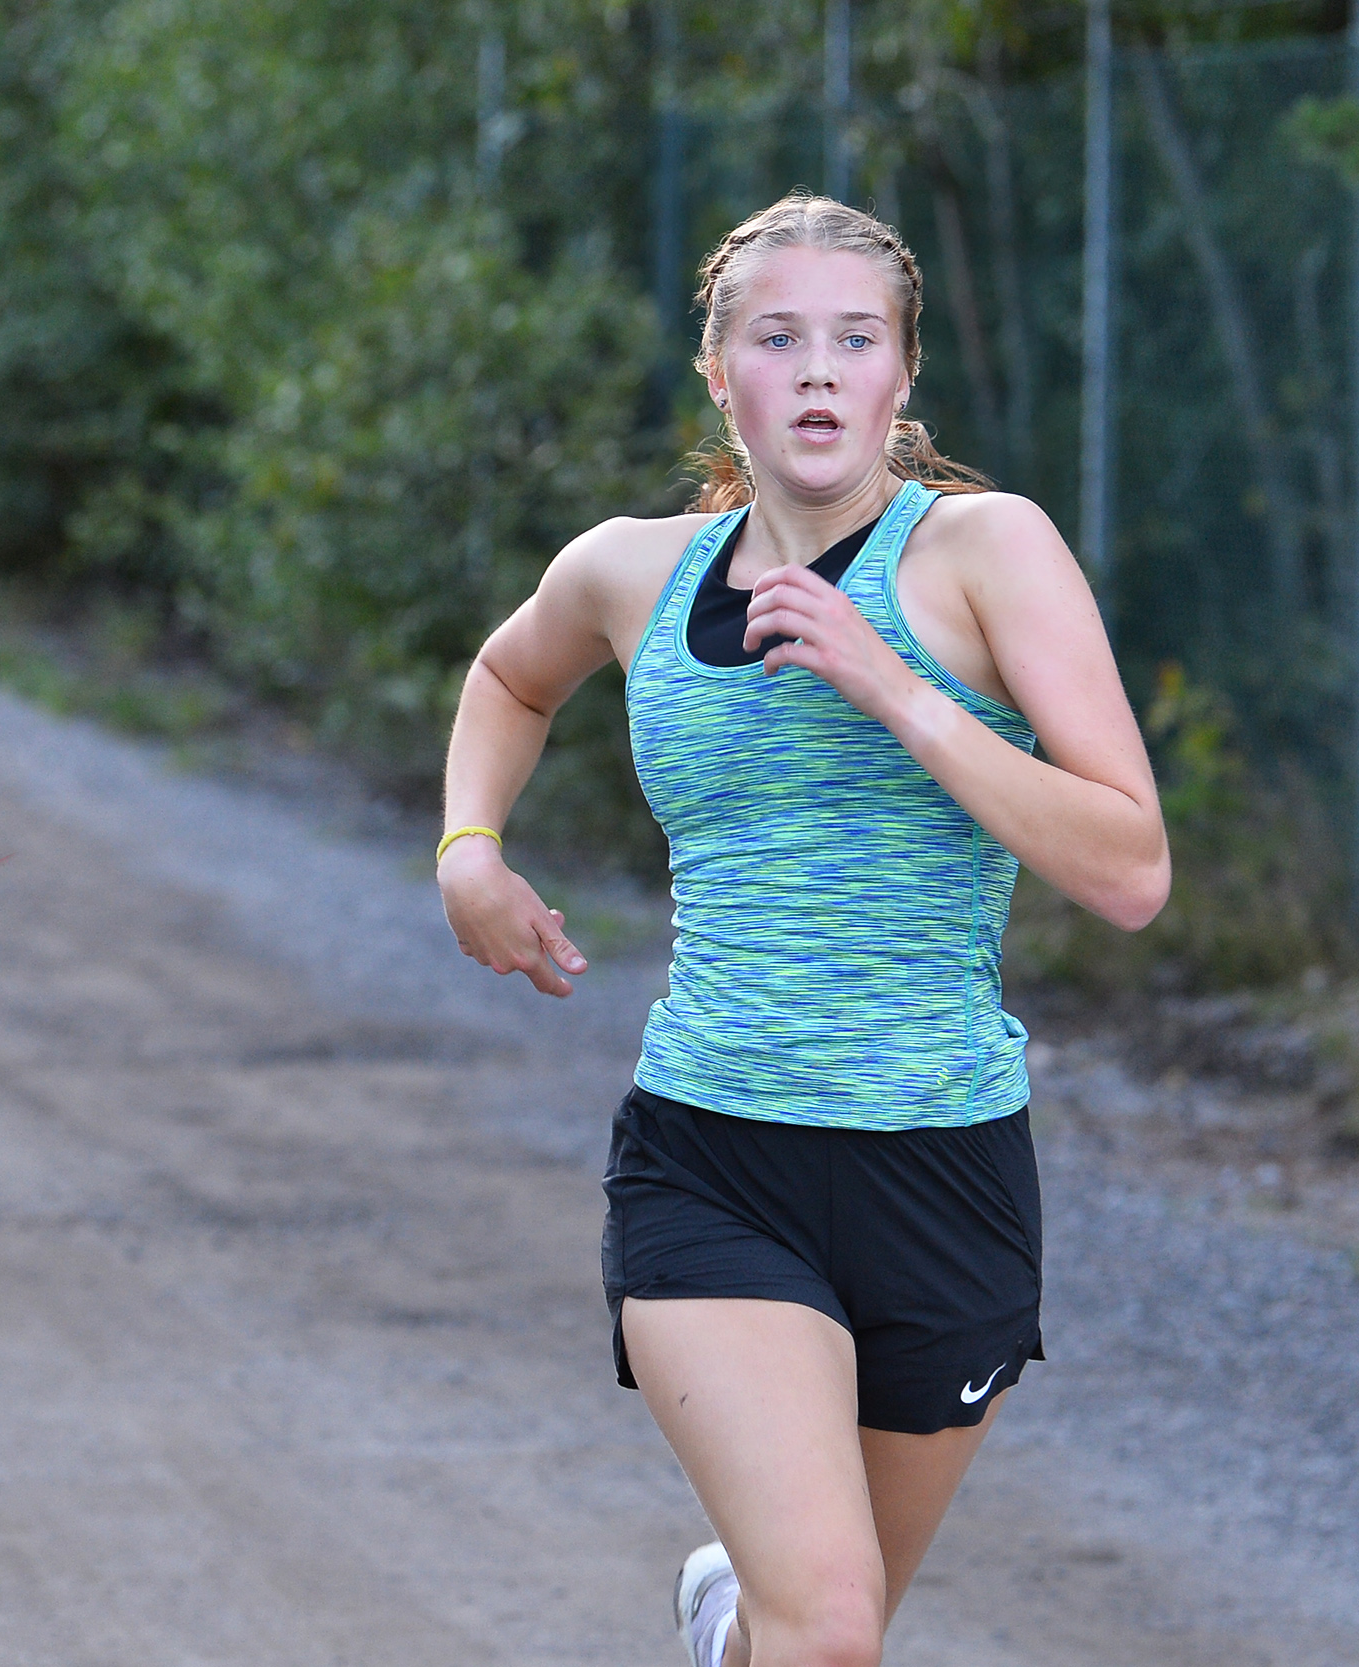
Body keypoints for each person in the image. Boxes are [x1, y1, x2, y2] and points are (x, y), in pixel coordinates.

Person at [434, 192, 1169, 1667]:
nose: (820, 372)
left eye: (856, 339)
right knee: (832, 1632)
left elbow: (1131, 867)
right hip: (716, 1151)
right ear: (722, 372)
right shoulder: (630, 571)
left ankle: (723, 1627)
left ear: (902, 378)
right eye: (780, 338)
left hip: (942, 1164)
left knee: (807, 1631)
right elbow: (510, 684)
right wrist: (469, 851)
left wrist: (898, 689)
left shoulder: (982, 553)